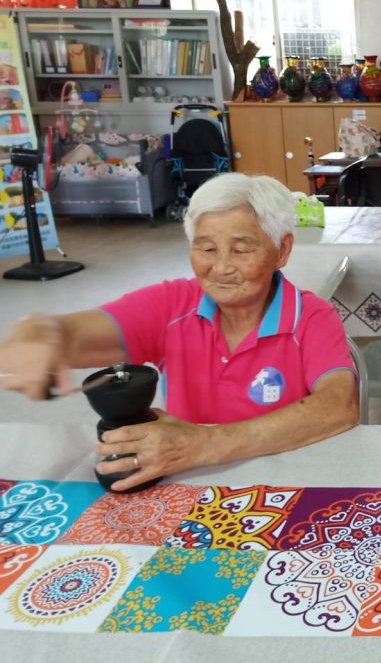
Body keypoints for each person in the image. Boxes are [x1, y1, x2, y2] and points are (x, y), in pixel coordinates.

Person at [0, 173, 359, 491]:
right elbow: (77, 334)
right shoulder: (171, 305)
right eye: (205, 248)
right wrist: (43, 332)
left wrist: (204, 443)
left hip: (287, 485)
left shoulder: (310, 316)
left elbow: (338, 405)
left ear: (281, 250)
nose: (221, 267)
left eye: (241, 249)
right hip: (187, 486)